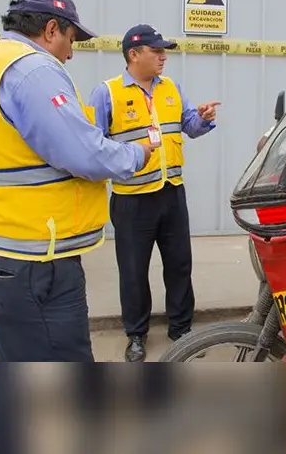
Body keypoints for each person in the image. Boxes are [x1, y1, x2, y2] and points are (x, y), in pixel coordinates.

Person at [0, 0, 154, 362]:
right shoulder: (33, 69)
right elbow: (83, 153)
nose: (72, 52)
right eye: (71, 38)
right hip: (33, 255)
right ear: (51, 29)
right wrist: (135, 154)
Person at [89, 23, 220, 362]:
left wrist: (203, 118)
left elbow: (189, 125)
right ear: (134, 54)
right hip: (132, 199)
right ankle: (136, 334)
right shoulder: (107, 93)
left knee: (179, 265)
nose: (163, 56)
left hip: (171, 192)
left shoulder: (172, 88)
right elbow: (93, 143)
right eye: (156, 50)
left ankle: (181, 329)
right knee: (133, 270)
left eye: (165, 50)